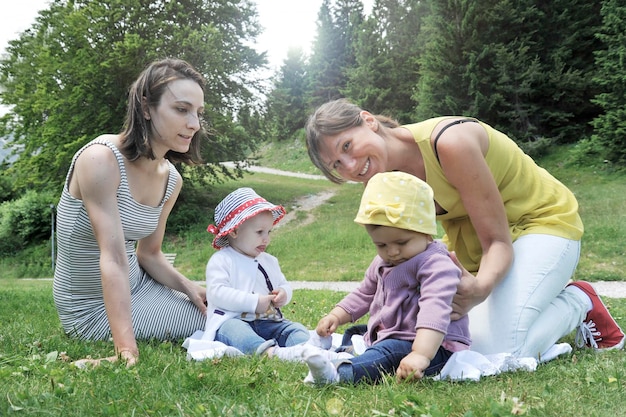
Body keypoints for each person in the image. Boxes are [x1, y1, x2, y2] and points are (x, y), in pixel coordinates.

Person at [305, 98, 625, 359]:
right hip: (476, 246)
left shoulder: (449, 143)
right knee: (456, 342)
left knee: (500, 349)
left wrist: (481, 288)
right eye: (336, 165)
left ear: (368, 120)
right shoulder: (384, 183)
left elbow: (497, 241)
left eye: (346, 146)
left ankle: (578, 302)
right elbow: (407, 255)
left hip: (541, 225)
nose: (349, 167)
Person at [53, 58, 208, 368]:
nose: (194, 124)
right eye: (182, 109)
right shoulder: (100, 160)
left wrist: (190, 288)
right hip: (89, 307)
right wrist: (127, 351)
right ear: (146, 107)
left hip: (139, 285)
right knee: (216, 320)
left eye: (198, 113)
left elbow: (149, 255)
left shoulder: (171, 179)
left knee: (219, 305)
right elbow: (113, 257)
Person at [301, 171, 470, 385]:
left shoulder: (436, 264)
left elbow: (434, 311)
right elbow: (364, 293)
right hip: (395, 337)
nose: (392, 252)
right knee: (359, 333)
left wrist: (420, 355)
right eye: (381, 245)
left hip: (434, 347)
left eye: (401, 243)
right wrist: (336, 315)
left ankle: (339, 374)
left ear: (426, 233)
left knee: (388, 352)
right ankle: (341, 355)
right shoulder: (383, 262)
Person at [203, 187, 313, 361]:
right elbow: (217, 294)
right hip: (233, 320)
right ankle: (269, 353)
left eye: (269, 232)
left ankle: (307, 349)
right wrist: (253, 302)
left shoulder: (269, 261)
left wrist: (284, 294)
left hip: (269, 322)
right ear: (234, 231)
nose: (266, 239)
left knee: (293, 328)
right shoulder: (222, 260)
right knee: (235, 332)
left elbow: (282, 284)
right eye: (259, 232)